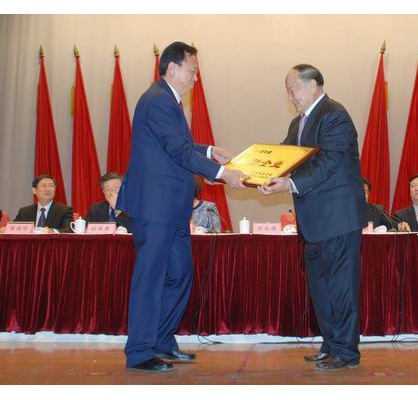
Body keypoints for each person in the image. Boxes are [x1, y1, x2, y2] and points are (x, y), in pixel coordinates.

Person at [116, 41, 248, 373]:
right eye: (192, 71)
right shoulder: (158, 100)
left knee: (180, 273)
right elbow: (176, 150)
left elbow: (179, 146)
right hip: (155, 207)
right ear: (172, 68)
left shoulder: (167, 100)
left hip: (172, 209)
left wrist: (209, 152)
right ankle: (140, 351)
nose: (195, 78)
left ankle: (161, 341)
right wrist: (221, 174)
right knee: (151, 277)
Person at [258, 64, 366, 371]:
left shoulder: (334, 115)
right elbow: (283, 155)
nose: (290, 96)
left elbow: (330, 161)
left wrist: (289, 184)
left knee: (341, 287)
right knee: (321, 288)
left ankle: (346, 351)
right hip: (313, 221)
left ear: (314, 84)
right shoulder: (299, 122)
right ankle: (331, 344)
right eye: (288, 91)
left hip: (337, 218)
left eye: (293, 89)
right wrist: (250, 170)